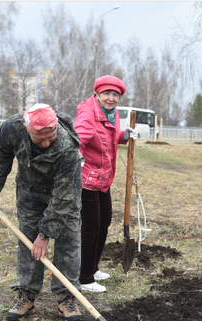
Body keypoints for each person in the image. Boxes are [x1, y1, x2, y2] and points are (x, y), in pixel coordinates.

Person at [0, 103, 84, 321]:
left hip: (64, 192)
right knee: (28, 240)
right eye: (39, 139)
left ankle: (67, 297)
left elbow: (63, 197)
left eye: (50, 137)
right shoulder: (12, 128)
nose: (46, 143)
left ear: (55, 128)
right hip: (30, 190)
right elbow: (0, 156)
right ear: (27, 129)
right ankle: (26, 295)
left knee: (69, 241)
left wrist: (45, 234)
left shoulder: (67, 147)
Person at [74, 76, 138, 292]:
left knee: (104, 222)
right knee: (91, 227)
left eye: (115, 95)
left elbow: (106, 137)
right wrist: (76, 157)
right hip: (87, 179)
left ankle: (93, 268)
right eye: (106, 94)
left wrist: (123, 135)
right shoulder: (88, 114)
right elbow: (77, 140)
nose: (111, 98)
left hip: (103, 178)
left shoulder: (112, 113)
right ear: (97, 94)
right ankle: (84, 278)